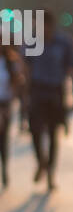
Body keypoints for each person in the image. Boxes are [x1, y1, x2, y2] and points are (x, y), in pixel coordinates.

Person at [26, 10, 73, 191]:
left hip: (56, 92)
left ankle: (51, 174)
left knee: (54, 134)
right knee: (35, 130)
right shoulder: (31, 41)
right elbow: (25, 67)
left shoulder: (64, 42)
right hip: (36, 91)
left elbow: (71, 69)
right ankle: (41, 161)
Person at [0, 44, 26, 189]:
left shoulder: (10, 61)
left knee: (3, 139)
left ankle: (4, 168)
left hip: (4, 104)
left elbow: (19, 81)